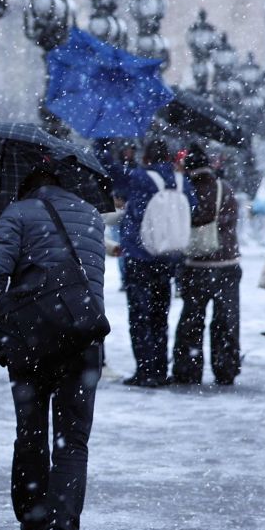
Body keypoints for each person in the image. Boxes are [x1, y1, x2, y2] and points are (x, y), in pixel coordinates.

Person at [0, 161, 108, 530]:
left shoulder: (17, 214)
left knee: (30, 432)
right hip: (82, 335)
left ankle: (33, 524)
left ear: (26, 187)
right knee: (73, 441)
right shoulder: (91, 216)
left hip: (31, 337)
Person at [108, 138, 194, 388]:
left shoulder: (140, 178)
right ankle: (159, 368)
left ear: (146, 158)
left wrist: (103, 142)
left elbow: (112, 173)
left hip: (140, 255)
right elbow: (194, 207)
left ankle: (146, 370)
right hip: (169, 256)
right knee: (160, 314)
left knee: (140, 315)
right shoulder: (181, 181)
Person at [174, 143, 242, 385]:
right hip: (227, 264)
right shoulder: (225, 189)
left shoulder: (186, 190)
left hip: (196, 265)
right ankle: (226, 368)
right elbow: (230, 221)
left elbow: (183, 221)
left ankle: (188, 369)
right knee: (226, 319)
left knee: (192, 320)